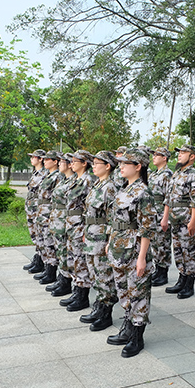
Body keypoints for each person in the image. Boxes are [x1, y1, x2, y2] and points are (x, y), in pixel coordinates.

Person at [106, 148, 156, 358]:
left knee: (138, 294)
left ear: (138, 166)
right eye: (121, 163)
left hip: (135, 249)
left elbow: (147, 228)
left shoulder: (143, 192)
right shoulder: (124, 189)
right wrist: (110, 241)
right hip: (119, 247)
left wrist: (142, 257)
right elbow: (114, 219)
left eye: (126, 163)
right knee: (123, 292)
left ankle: (137, 336)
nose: (121, 166)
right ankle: (128, 327)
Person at [79, 150, 119, 331]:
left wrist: (110, 239)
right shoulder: (97, 185)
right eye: (93, 163)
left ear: (108, 166)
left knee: (104, 277)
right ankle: (99, 306)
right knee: (95, 274)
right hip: (91, 235)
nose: (93, 166)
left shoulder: (110, 187)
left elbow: (113, 217)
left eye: (97, 163)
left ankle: (106, 313)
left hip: (102, 237)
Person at [161, 144, 195, 299]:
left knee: (189, 251)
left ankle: (189, 283)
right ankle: (182, 278)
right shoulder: (177, 173)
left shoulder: (194, 175)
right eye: (179, 152)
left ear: (191, 156)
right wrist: (165, 217)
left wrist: (193, 221)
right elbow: (168, 198)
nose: (179, 155)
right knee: (178, 250)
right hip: (175, 219)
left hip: (186, 219)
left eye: (183, 152)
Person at [59, 150, 98, 312]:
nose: (72, 163)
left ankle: (82, 295)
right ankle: (77, 290)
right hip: (70, 224)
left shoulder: (89, 180)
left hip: (80, 225)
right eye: (72, 161)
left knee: (81, 261)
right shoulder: (75, 180)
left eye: (76, 161)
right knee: (73, 259)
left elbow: (90, 207)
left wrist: (85, 229)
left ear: (84, 163)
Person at [47, 153, 77, 297]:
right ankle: (62, 278)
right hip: (58, 221)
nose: (59, 164)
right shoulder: (63, 180)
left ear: (70, 164)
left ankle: (66, 282)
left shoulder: (74, 182)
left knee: (67, 254)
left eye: (63, 162)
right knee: (60, 251)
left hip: (66, 223)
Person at [33, 151, 62, 285]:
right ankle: (46, 268)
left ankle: (51, 271)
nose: (44, 161)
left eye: (47, 159)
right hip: (41, 212)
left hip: (49, 213)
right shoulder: (48, 175)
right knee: (43, 242)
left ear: (55, 161)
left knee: (49, 243)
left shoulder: (57, 177)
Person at [148, 147, 173, 286]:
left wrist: (165, 217)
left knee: (163, 244)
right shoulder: (154, 174)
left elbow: (168, 197)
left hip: (161, 213)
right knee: (156, 244)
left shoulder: (167, 174)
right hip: (153, 213)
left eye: (157, 155)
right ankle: (157, 270)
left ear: (164, 158)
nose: (154, 157)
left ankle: (163, 273)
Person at [23, 149, 47, 273]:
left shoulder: (45, 173)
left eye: (34, 157)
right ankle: (37, 258)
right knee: (35, 235)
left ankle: (40, 261)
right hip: (31, 208)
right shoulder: (35, 172)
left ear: (41, 159)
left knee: (40, 236)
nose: (31, 159)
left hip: (38, 208)